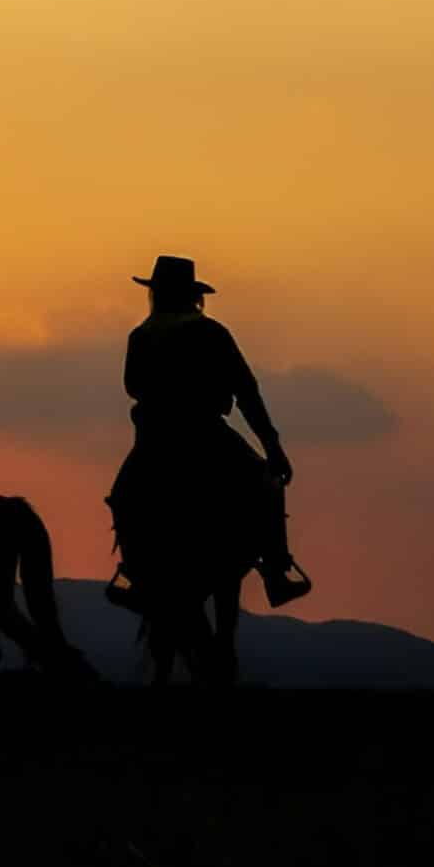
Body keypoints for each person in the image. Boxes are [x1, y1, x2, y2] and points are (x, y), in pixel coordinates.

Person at [107, 257, 309, 607]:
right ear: (193, 295)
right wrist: (273, 446)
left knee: (125, 494)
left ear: (156, 294)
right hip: (206, 436)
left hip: (154, 441)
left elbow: (132, 385)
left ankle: (134, 572)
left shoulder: (140, 336)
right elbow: (247, 391)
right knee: (268, 483)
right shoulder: (212, 333)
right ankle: (277, 569)